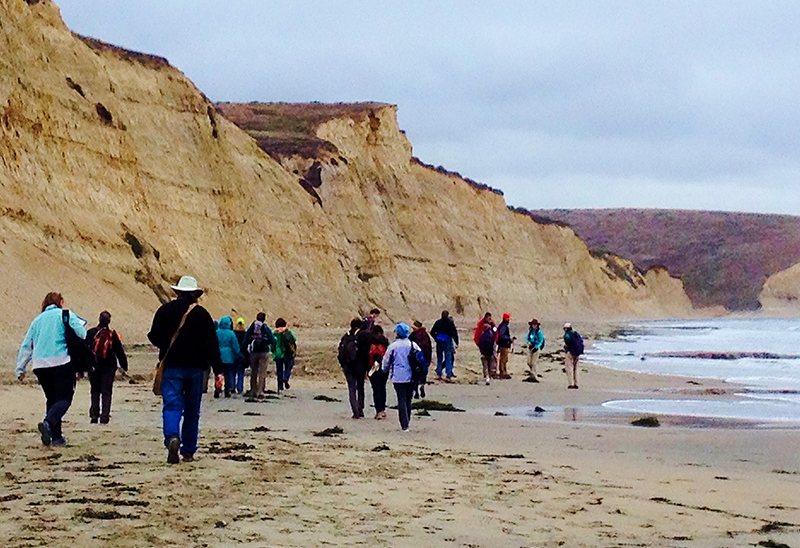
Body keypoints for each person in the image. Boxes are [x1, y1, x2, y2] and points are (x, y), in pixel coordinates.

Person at [147, 276, 223, 464]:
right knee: (192, 410)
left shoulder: (164, 310)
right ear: (195, 294)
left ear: (177, 292)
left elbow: (154, 336)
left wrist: (167, 344)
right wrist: (219, 370)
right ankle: (188, 450)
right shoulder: (202, 314)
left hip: (172, 365)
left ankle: (172, 437)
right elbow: (211, 345)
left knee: (172, 405)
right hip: (196, 368)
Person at [16, 292, 87, 447]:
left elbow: (27, 345)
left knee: (52, 399)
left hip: (40, 365)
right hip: (61, 361)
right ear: (60, 301)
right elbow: (82, 334)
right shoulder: (65, 314)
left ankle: (55, 437)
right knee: (64, 398)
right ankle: (48, 423)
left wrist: (20, 368)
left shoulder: (37, 320)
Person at [86, 311, 128, 423]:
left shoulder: (91, 333)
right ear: (109, 321)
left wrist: (83, 366)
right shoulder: (112, 335)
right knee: (107, 391)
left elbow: (86, 348)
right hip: (109, 366)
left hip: (94, 365)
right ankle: (105, 415)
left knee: (95, 390)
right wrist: (124, 365)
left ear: (99, 319)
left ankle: (94, 415)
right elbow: (119, 351)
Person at [382, 323, 424, 432]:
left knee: (401, 399)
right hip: (411, 376)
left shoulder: (393, 346)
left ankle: (404, 424)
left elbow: (386, 361)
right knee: (408, 399)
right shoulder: (413, 345)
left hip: (398, 376)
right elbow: (421, 358)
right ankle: (407, 421)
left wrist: (385, 370)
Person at [339, 318, 367, 418]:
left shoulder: (345, 337)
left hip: (348, 366)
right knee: (360, 386)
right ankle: (360, 408)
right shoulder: (362, 336)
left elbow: (340, 352)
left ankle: (355, 410)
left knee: (351, 388)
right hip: (359, 366)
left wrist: (343, 365)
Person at [244, 312, 274, 397]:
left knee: (253, 372)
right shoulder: (265, 327)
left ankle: (253, 389)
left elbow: (246, 338)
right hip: (264, 352)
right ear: (264, 319)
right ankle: (260, 391)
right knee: (262, 372)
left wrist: (243, 349)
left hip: (253, 352)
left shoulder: (252, 327)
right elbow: (271, 339)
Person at [216, 316, 242, 398]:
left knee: (218, 373)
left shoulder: (216, 332)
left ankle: (218, 388)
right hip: (228, 356)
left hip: (218, 355)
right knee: (227, 374)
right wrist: (238, 354)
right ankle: (227, 390)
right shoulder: (231, 333)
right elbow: (235, 345)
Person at [368, 325, 390, 420]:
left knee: (375, 389)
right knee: (382, 388)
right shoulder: (385, 342)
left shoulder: (370, 342)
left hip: (372, 368)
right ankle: (383, 410)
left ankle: (378, 410)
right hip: (384, 367)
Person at [430, 310, 459, 381]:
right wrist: (456, 342)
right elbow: (454, 333)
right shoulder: (450, 323)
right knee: (448, 358)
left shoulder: (438, 322)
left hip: (439, 342)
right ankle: (448, 374)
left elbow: (432, 332)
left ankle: (439, 373)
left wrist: (436, 338)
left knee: (439, 358)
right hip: (447, 341)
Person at [272, 318, 296, 391]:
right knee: (289, 366)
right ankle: (286, 377)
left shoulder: (274, 334)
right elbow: (294, 338)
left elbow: (272, 344)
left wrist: (273, 352)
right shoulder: (288, 332)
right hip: (287, 352)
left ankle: (280, 386)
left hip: (278, 353)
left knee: (279, 370)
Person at [409, 320, 432, 398]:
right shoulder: (425, 334)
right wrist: (429, 358)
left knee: (415, 374)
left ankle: (415, 391)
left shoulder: (413, 335)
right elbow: (429, 346)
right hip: (425, 356)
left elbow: (410, 346)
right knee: (423, 373)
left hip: (416, 357)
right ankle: (422, 386)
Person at [473, 312, 497, 378]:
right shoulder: (481, 325)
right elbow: (477, 334)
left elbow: (495, 331)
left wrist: (493, 325)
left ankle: (491, 372)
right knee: (486, 360)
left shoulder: (492, 325)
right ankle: (487, 373)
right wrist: (478, 343)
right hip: (484, 344)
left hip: (490, 344)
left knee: (492, 358)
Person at [563, 323, 584, 389]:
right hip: (577, 353)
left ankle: (571, 383)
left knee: (569, 368)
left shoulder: (567, 335)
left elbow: (567, 341)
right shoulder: (576, 334)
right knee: (576, 368)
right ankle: (576, 383)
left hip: (570, 352)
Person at [232, 317, 249, 394]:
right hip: (242, 355)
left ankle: (231, 386)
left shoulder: (233, 333)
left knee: (232, 372)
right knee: (241, 373)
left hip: (233, 354)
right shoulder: (245, 334)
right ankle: (240, 388)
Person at [496, 312, 515, 379]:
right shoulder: (504, 326)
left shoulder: (503, 325)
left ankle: (504, 371)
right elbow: (502, 335)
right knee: (503, 359)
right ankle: (502, 372)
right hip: (504, 345)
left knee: (504, 359)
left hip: (504, 344)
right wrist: (509, 339)